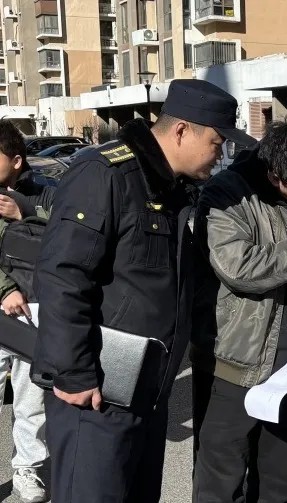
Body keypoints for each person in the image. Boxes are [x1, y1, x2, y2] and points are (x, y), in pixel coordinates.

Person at [30, 79, 257, 503]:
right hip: (95, 394)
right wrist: (74, 373)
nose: (220, 154)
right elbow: (63, 276)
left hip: (146, 392)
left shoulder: (171, 189)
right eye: (216, 142)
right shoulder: (106, 174)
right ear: (182, 131)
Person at [191, 115, 287, 503]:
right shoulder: (227, 195)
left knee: (278, 476)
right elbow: (238, 266)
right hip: (230, 361)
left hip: (285, 366)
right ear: (276, 175)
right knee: (220, 477)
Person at [0, 120, 52, 503]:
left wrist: (25, 212)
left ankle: (26, 469)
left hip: (35, 310)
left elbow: (72, 235)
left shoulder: (46, 192)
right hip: (4, 303)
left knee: (31, 401)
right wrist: (5, 289)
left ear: (16, 161)